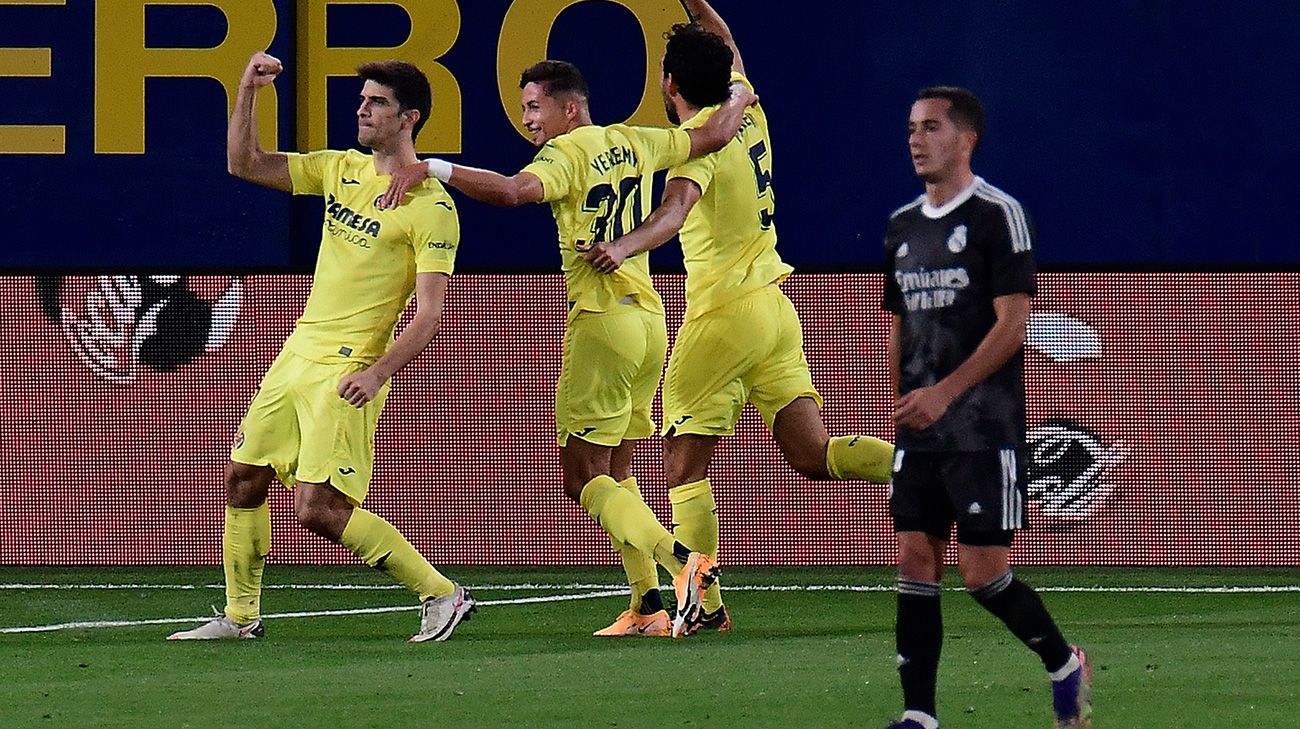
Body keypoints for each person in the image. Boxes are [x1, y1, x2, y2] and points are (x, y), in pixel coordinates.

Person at [380, 59, 755, 637]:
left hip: (601, 323)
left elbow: (511, 192)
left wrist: (434, 166)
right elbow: (712, 134)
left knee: (582, 478)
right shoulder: (633, 139)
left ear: (569, 108)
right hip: (650, 319)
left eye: (534, 107)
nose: (528, 119)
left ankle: (685, 564)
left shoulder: (565, 154)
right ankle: (646, 604)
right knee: (619, 470)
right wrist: (737, 93)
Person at [583, 0, 896, 636]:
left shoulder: (701, 143)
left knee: (680, 463)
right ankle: (928, 466)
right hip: (777, 312)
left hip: (721, 316)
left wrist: (622, 246)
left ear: (667, 84)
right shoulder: (745, 108)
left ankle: (706, 604)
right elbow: (723, 39)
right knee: (812, 452)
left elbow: (671, 216)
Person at [169, 53, 474, 643]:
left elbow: (433, 311)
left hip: (349, 364)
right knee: (243, 478)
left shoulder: (432, 206)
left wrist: (381, 371)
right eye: (362, 99)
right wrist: (247, 88)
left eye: (377, 101)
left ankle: (442, 593)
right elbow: (245, 163)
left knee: (317, 510)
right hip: (297, 354)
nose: (361, 108)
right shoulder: (340, 169)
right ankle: (239, 616)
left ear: (409, 118)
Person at [879, 87, 1091, 728]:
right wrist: (901, 395)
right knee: (915, 559)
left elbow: (1014, 325)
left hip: (983, 428)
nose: (916, 139)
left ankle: (1063, 664)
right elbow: (900, 322)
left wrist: (945, 393)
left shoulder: (1000, 215)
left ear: (966, 138)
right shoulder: (901, 226)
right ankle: (919, 715)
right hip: (922, 432)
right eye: (911, 126)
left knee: (982, 577)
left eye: (932, 127)